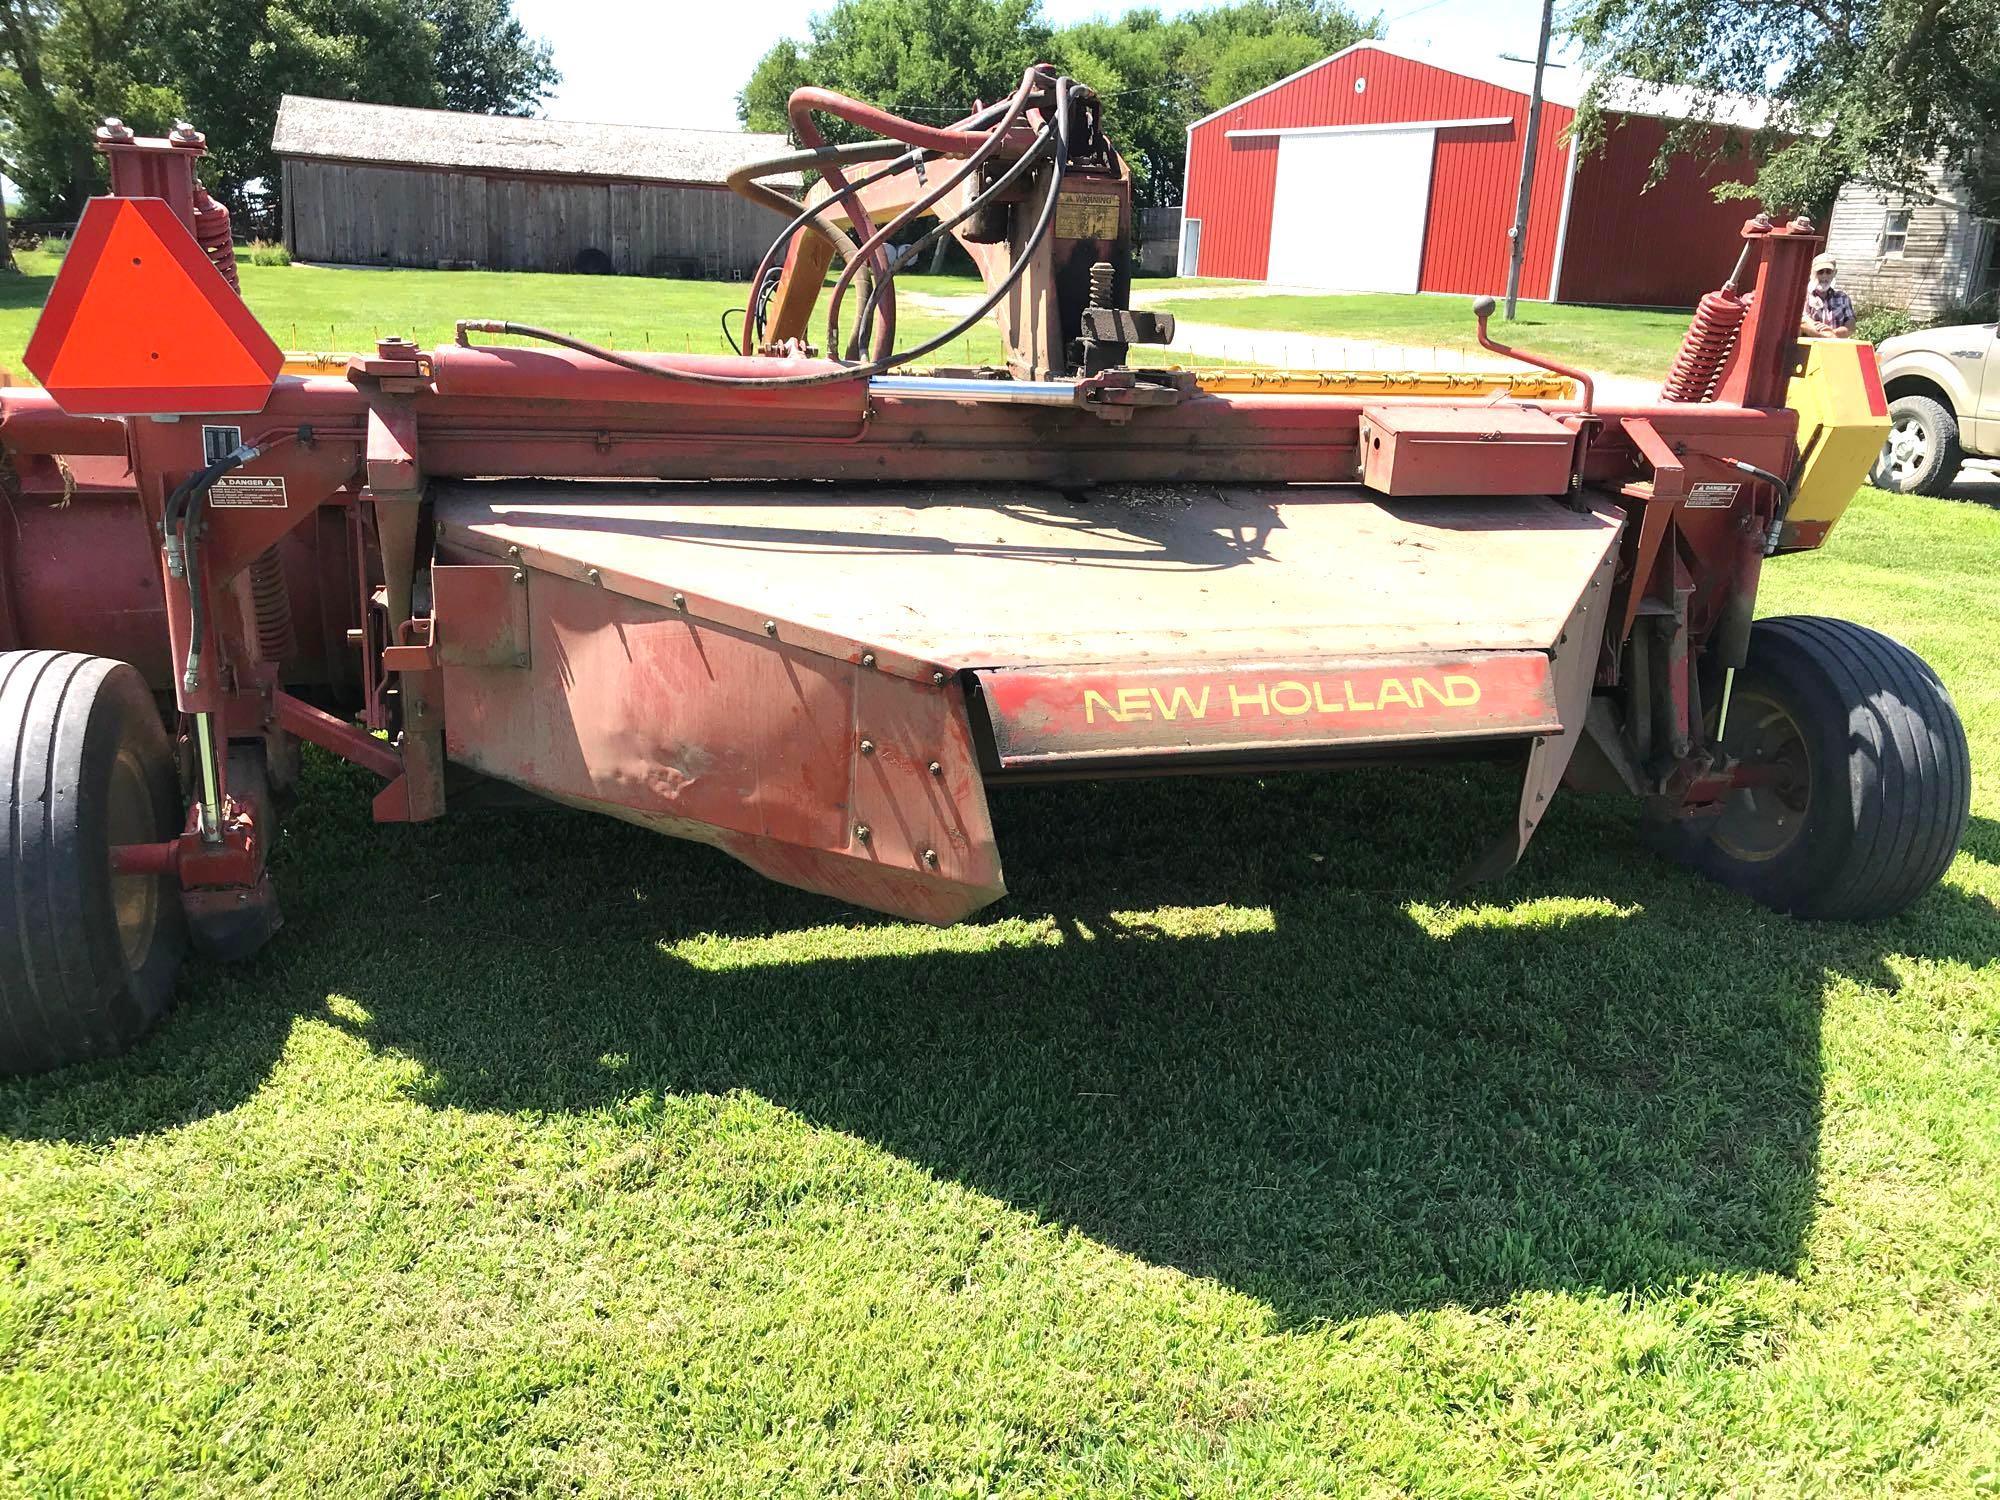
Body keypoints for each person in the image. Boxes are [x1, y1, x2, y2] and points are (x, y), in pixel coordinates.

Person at [1802, 254, 1855, 338]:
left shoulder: (1843, 298)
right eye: (1820, 271)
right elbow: (1803, 322)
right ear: (1812, 273)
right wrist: (1825, 335)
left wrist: (1833, 332)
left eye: (1828, 271)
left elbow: (1851, 326)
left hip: (1835, 348)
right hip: (1810, 348)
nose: (1824, 276)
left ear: (1834, 273)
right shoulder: (1804, 296)